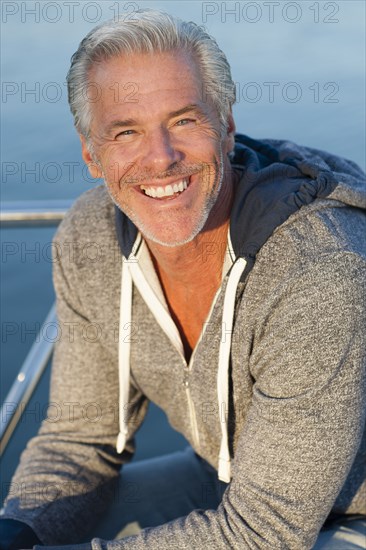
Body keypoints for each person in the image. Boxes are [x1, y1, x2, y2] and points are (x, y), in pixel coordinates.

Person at [1, 9, 365, 550]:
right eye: (126, 131)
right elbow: (79, 441)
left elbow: (264, 532)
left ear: (226, 126)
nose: (162, 159)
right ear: (90, 153)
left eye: (184, 121)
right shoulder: (88, 239)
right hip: (227, 476)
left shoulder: (316, 265)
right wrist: (18, 534)